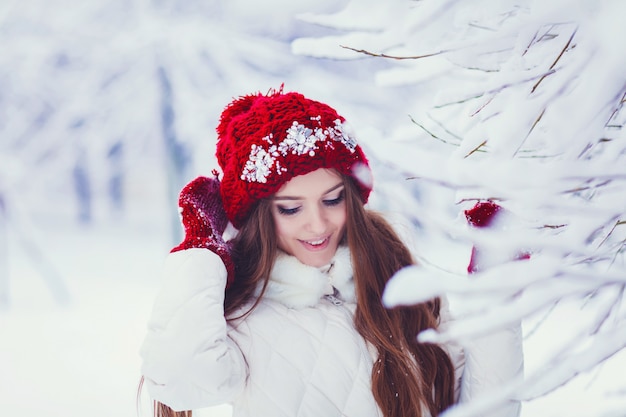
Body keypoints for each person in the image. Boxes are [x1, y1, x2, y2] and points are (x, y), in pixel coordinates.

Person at [139, 87, 524, 417]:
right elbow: (180, 380)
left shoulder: (397, 274)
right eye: (291, 208)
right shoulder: (244, 315)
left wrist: (497, 282)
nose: (318, 224)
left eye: (333, 199)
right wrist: (200, 250)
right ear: (258, 216)